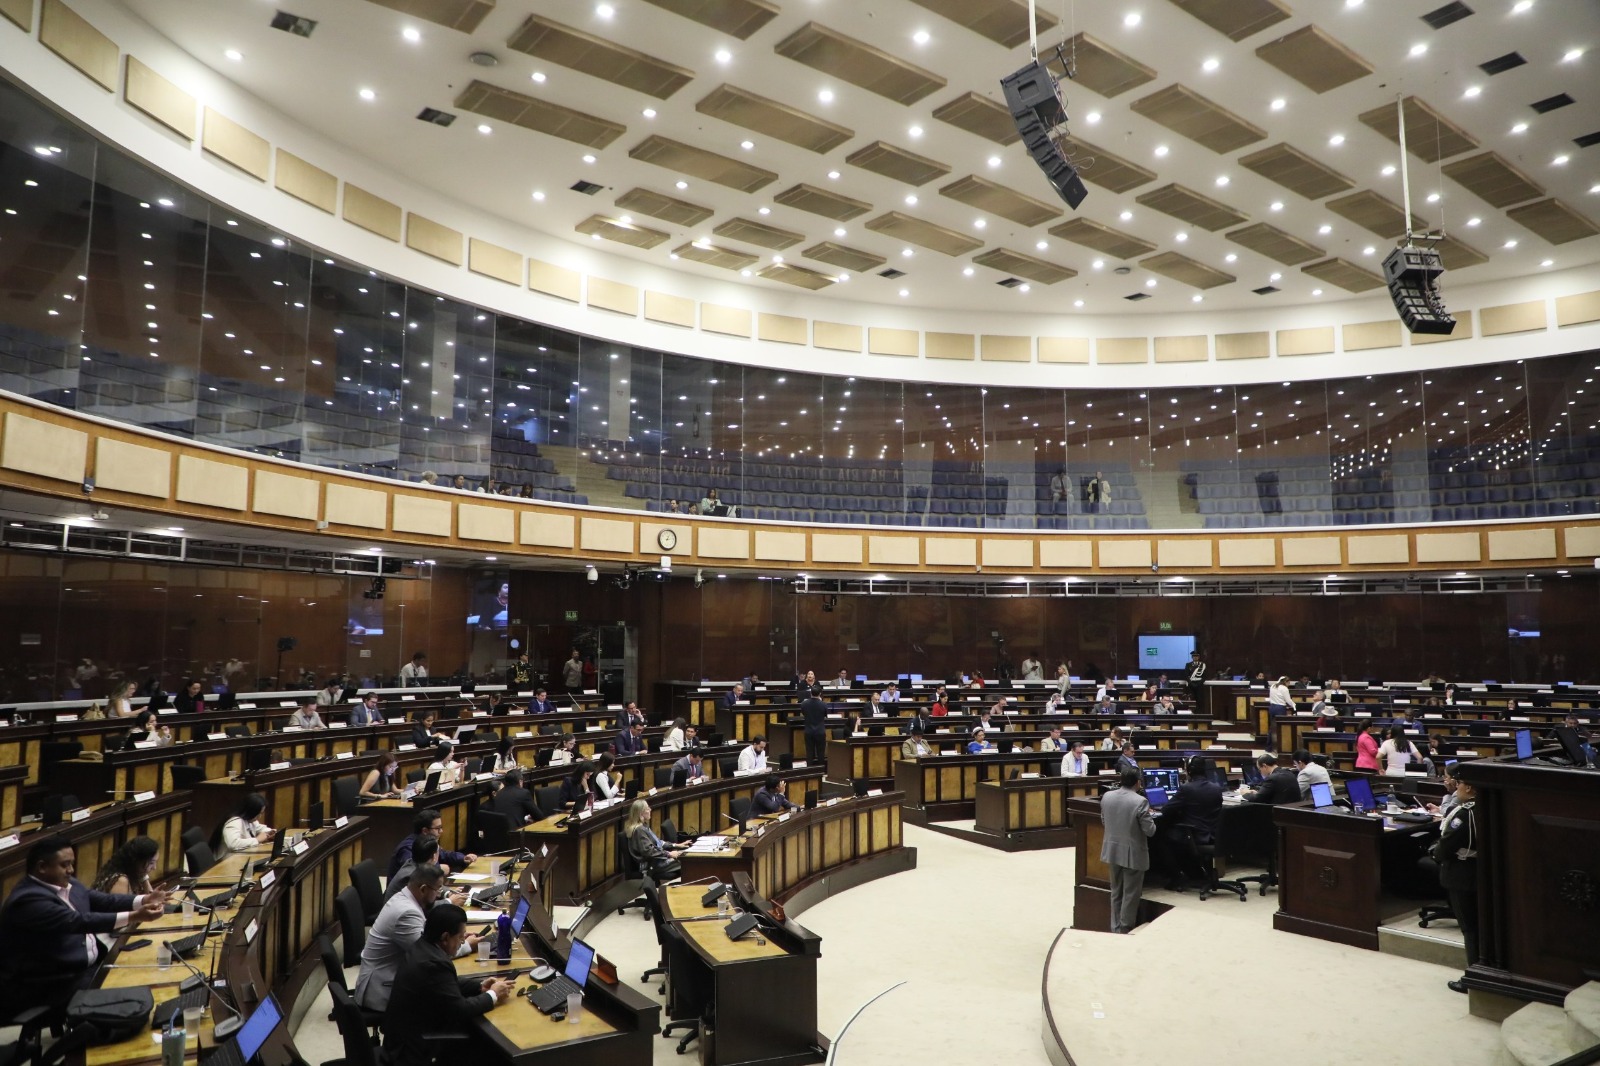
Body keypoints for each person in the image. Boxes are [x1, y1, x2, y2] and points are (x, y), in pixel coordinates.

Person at [0, 835, 167, 1015]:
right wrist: (134, 916)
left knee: (139, 974)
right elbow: (78, 921)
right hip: (46, 983)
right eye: (64, 865)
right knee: (130, 994)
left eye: (71, 863)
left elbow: (103, 901)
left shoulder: (66, 883)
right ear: (42, 867)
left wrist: (144, 900)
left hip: (82, 968)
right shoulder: (27, 900)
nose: (71, 870)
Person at [382, 903, 513, 1066]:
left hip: (406, 1037)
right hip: (414, 1051)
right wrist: (493, 994)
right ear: (445, 937)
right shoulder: (434, 963)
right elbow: (460, 1010)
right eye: (460, 936)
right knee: (496, 1051)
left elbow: (444, 984)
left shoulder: (423, 947)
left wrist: (479, 986)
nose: (463, 941)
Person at [356, 864, 480, 1011]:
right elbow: (428, 955)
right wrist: (466, 945)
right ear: (423, 889)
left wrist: (456, 937)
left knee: (460, 992)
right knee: (454, 1006)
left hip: (393, 977)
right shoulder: (407, 912)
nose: (439, 894)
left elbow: (427, 938)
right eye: (438, 889)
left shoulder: (405, 898)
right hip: (382, 990)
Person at [1435, 777, 1480, 994]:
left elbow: (1446, 846)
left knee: (1470, 927)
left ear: (1469, 787)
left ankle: (1472, 978)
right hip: (1480, 873)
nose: (1457, 788)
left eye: (1460, 784)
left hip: (1462, 875)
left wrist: (1436, 853)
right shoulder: (1487, 806)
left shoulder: (1465, 813)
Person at [1100, 768, 1156, 934]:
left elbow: (1104, 821)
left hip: (1112, 850)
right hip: (1133, 854)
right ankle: (1125, 928)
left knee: (1116, 891)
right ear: (1138, 783)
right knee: (1130, 894)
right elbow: (1150, 830)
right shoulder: (1140, 801)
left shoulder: (1107, 796)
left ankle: (1115, 927)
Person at [1159, 756, 1224, 889]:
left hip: (1195, 835)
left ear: (1189, 770)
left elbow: (1165, 810)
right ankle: (1196, 873)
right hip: (1213, 835)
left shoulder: (1186, 789)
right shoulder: (1216, 788)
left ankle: (1177, 878)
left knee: (1162, 838)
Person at [387, 808, 474, 880]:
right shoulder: (408, 848)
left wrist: (463, 858)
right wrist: (437, 868)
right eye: (438, 828)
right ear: (425, 831)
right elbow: (413, 871)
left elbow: (444, 854)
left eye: (441, 827)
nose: (441, 831)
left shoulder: (427, 841)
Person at [623, 798, 686, 881]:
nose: (650, 810)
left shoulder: (644, 826)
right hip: (652, 864)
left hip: (658, 859)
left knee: (686, 856)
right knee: (687, 861)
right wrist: (669, 854)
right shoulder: (639, 830)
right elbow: (649, 851)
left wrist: (676, 845)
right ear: (641, 813)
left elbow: (658, 842)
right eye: (647, 808)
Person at [91, 835, 160, 895]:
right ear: (136, 861)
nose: (154, 867)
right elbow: (122, 909)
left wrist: (144, 877)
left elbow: (151, 897)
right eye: (151, 863)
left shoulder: (126, 870)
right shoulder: (120, 881)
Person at [801, 692, 828, 765]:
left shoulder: (804, 703)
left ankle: (810, 770)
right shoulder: (823, 704)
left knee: (809, 751)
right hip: (820, 731)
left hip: (809, 731)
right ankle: (821, 770)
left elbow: (803, 713)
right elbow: (826, 715)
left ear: (811, 693)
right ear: (820, 694)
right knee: (821, 752)